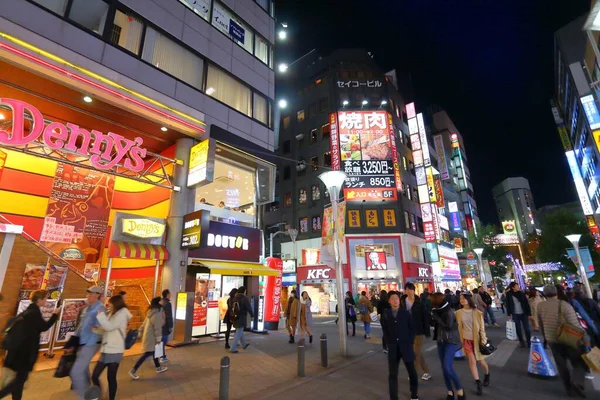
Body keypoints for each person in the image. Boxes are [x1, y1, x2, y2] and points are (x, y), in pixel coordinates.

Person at [0, 290, 59, 399]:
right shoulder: (34, 313)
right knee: (19, 380)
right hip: (25, 354)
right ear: (39, 300)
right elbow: (44, 327)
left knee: (19, 382)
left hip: (17, 351)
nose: (46, 300)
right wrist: (55, 314)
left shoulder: (27, 311)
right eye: (45, 298)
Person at [537, 285, 588, 397]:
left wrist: (545, 336)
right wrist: (585, 339)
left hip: (552, 339)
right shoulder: (564, 305)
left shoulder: (540, 306)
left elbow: (540, 324)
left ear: (545, 294)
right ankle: (577, 382)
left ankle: (568, 389)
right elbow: (575, 324)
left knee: (561, 365)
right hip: (568, 339)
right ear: (556, 293)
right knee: (579, 362)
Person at [91, 295, 132, 400]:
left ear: (116, 304)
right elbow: (106, 328)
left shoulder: (122, 314)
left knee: (111, 378)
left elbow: (109, 327)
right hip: (106, 349)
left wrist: (100, 316)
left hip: (115, 350)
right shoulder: (111, 313)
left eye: (111, 303)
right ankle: (100, 395)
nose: (109, 305)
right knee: (95, 375)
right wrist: (97, 329)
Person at [70, 286, 106, 398]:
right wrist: (72, 342)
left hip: (91, 344)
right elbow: (80, 327)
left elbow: (100, 328)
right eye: (88, 293)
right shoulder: (86, 309)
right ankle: (91, 394)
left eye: (92, 294)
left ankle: (84, 397)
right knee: (83, 371)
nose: (89, 296)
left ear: (98, 295)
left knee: (75, 372)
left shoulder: (100, 309)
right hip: (81, 342)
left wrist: (89, 344)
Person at [383, 291, 419, 400]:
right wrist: (388, 343)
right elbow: (385, 331)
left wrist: (410, 342)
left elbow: (412, 329)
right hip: (393, 347)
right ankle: (393, 397)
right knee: (393, 374)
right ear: (389, 301)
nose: (395, 300)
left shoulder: (406, 313)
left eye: (397, 298)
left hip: (406, 346)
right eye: (393, 299)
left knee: (412, 371)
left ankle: (414, 394)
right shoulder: (386, 314)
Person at [431, 292, 465, 400]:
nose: (431, 303)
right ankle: (450, 391)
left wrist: (436, 317)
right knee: (444, 368)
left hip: (451, 341)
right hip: (440, 341)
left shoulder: (448, 311)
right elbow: (433, 325)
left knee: (447, 367)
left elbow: (449, 326)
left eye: (433, 301)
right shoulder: (436, 310)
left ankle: (460, 390)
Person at [456, 293, 490, 396]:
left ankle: (487, 374)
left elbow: (482, 329)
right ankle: (478, 383)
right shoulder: (458, 312)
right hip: (466, 340)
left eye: (464, 298)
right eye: (460, 299)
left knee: (480, 360)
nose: (461, 300)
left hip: (477, 340)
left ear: (468, 299)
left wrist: (483, 340)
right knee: (472, 361)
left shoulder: (477, 313)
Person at [129, 297, 167, 379]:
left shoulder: (151, 312)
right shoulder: (157, 313)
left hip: (148, 336)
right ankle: (133, 370)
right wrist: (158, 339)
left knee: (154, 352)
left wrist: (140, 331)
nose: (163, 302)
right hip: (152, 338)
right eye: (161, 300)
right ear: (158, 303)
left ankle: (158, 367)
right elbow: (157, 327)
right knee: (147, 354)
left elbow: (143, 324)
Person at [402, 283, 431, 381]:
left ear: (414, 290)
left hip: (418, 330)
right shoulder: (402, 301)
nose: (409, 291)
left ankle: (413, 374)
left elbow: (425, 317)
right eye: (407, 289)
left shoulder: (419, 302)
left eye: (410, 289)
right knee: (416, 352)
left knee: (416, 353)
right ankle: (427, 371)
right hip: (407, 330)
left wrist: (426, 331)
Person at [505, 282, 532, 347]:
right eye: (516, 286)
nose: (518, 287)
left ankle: (529, 342)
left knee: (527, 328)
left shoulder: (521, 293)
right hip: (515, 314)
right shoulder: (509, 294)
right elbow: (508, 304)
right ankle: (521, 342)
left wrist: (529, 313)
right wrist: (509, 313)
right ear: (513, 287)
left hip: (524, 313)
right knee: (518, 328)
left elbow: (526, 303)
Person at [230, 286, 253, 353]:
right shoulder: (244, 298)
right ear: (244, 291)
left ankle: (244, 344)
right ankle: (233, 348)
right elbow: (248, 307)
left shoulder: (235, 298)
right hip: (241, 316)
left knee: (239, 330)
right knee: (239, 331)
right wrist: (252, 314)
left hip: (235, 317)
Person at [160, 289, 173, 363]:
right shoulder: (167, 303)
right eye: (170, 293)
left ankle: (162, 356)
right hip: (165, 325)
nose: (170, 295)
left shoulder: (160, 302)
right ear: (167, 294)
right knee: (164, 341)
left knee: (161, 342)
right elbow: (169, 316)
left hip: (160, 325)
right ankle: (162, 356)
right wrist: (171, 326)